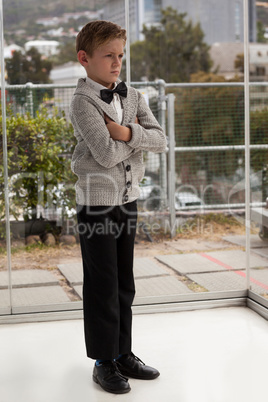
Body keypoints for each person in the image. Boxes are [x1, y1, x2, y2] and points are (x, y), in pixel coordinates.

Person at [70, 20, 167, 394]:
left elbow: (161, 140)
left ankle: (123, 352)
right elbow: (106, 155)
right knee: (102, 285)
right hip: (96, 205)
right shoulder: (82, 101)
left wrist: (126, 132)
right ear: (85, 58)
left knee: (124, 283)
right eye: (108, 55)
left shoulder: (135, 96)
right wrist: (135, 142)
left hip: (128, 201)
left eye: (120, 56)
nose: (116, 63)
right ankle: (103, 361)